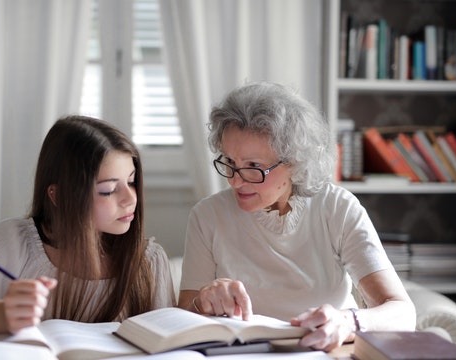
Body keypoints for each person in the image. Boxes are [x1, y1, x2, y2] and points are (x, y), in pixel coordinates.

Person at [177, 82, 416, 351]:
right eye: (230, 162)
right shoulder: (207, 215)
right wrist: (203, 302)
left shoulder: (336, 208)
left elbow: (402, 312)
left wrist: (348, 322)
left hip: (328, 352)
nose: (235, 181)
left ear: (294, 162)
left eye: (254, 167)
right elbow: (183, 314)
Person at [0, 115, 175, 339]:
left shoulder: (148, 262)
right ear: (58, 196)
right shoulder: (11, 243)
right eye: (108, 190)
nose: (130, 199)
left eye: (131, 181)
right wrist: (2, 313)